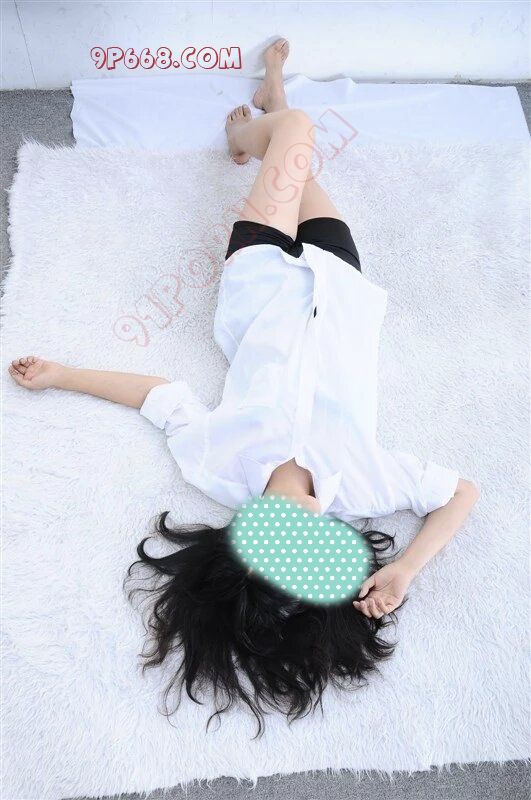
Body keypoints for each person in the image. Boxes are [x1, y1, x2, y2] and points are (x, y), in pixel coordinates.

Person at [7, 39, 479, 737]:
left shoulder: (217, 464)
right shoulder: (365, 482)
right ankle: (271, 101)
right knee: (297, 149)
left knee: (296, 137)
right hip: (339, 286)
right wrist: (406, 569)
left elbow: (159, 396)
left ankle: (248, 134)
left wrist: (62, 376)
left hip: (256, 281)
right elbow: (460, 493)